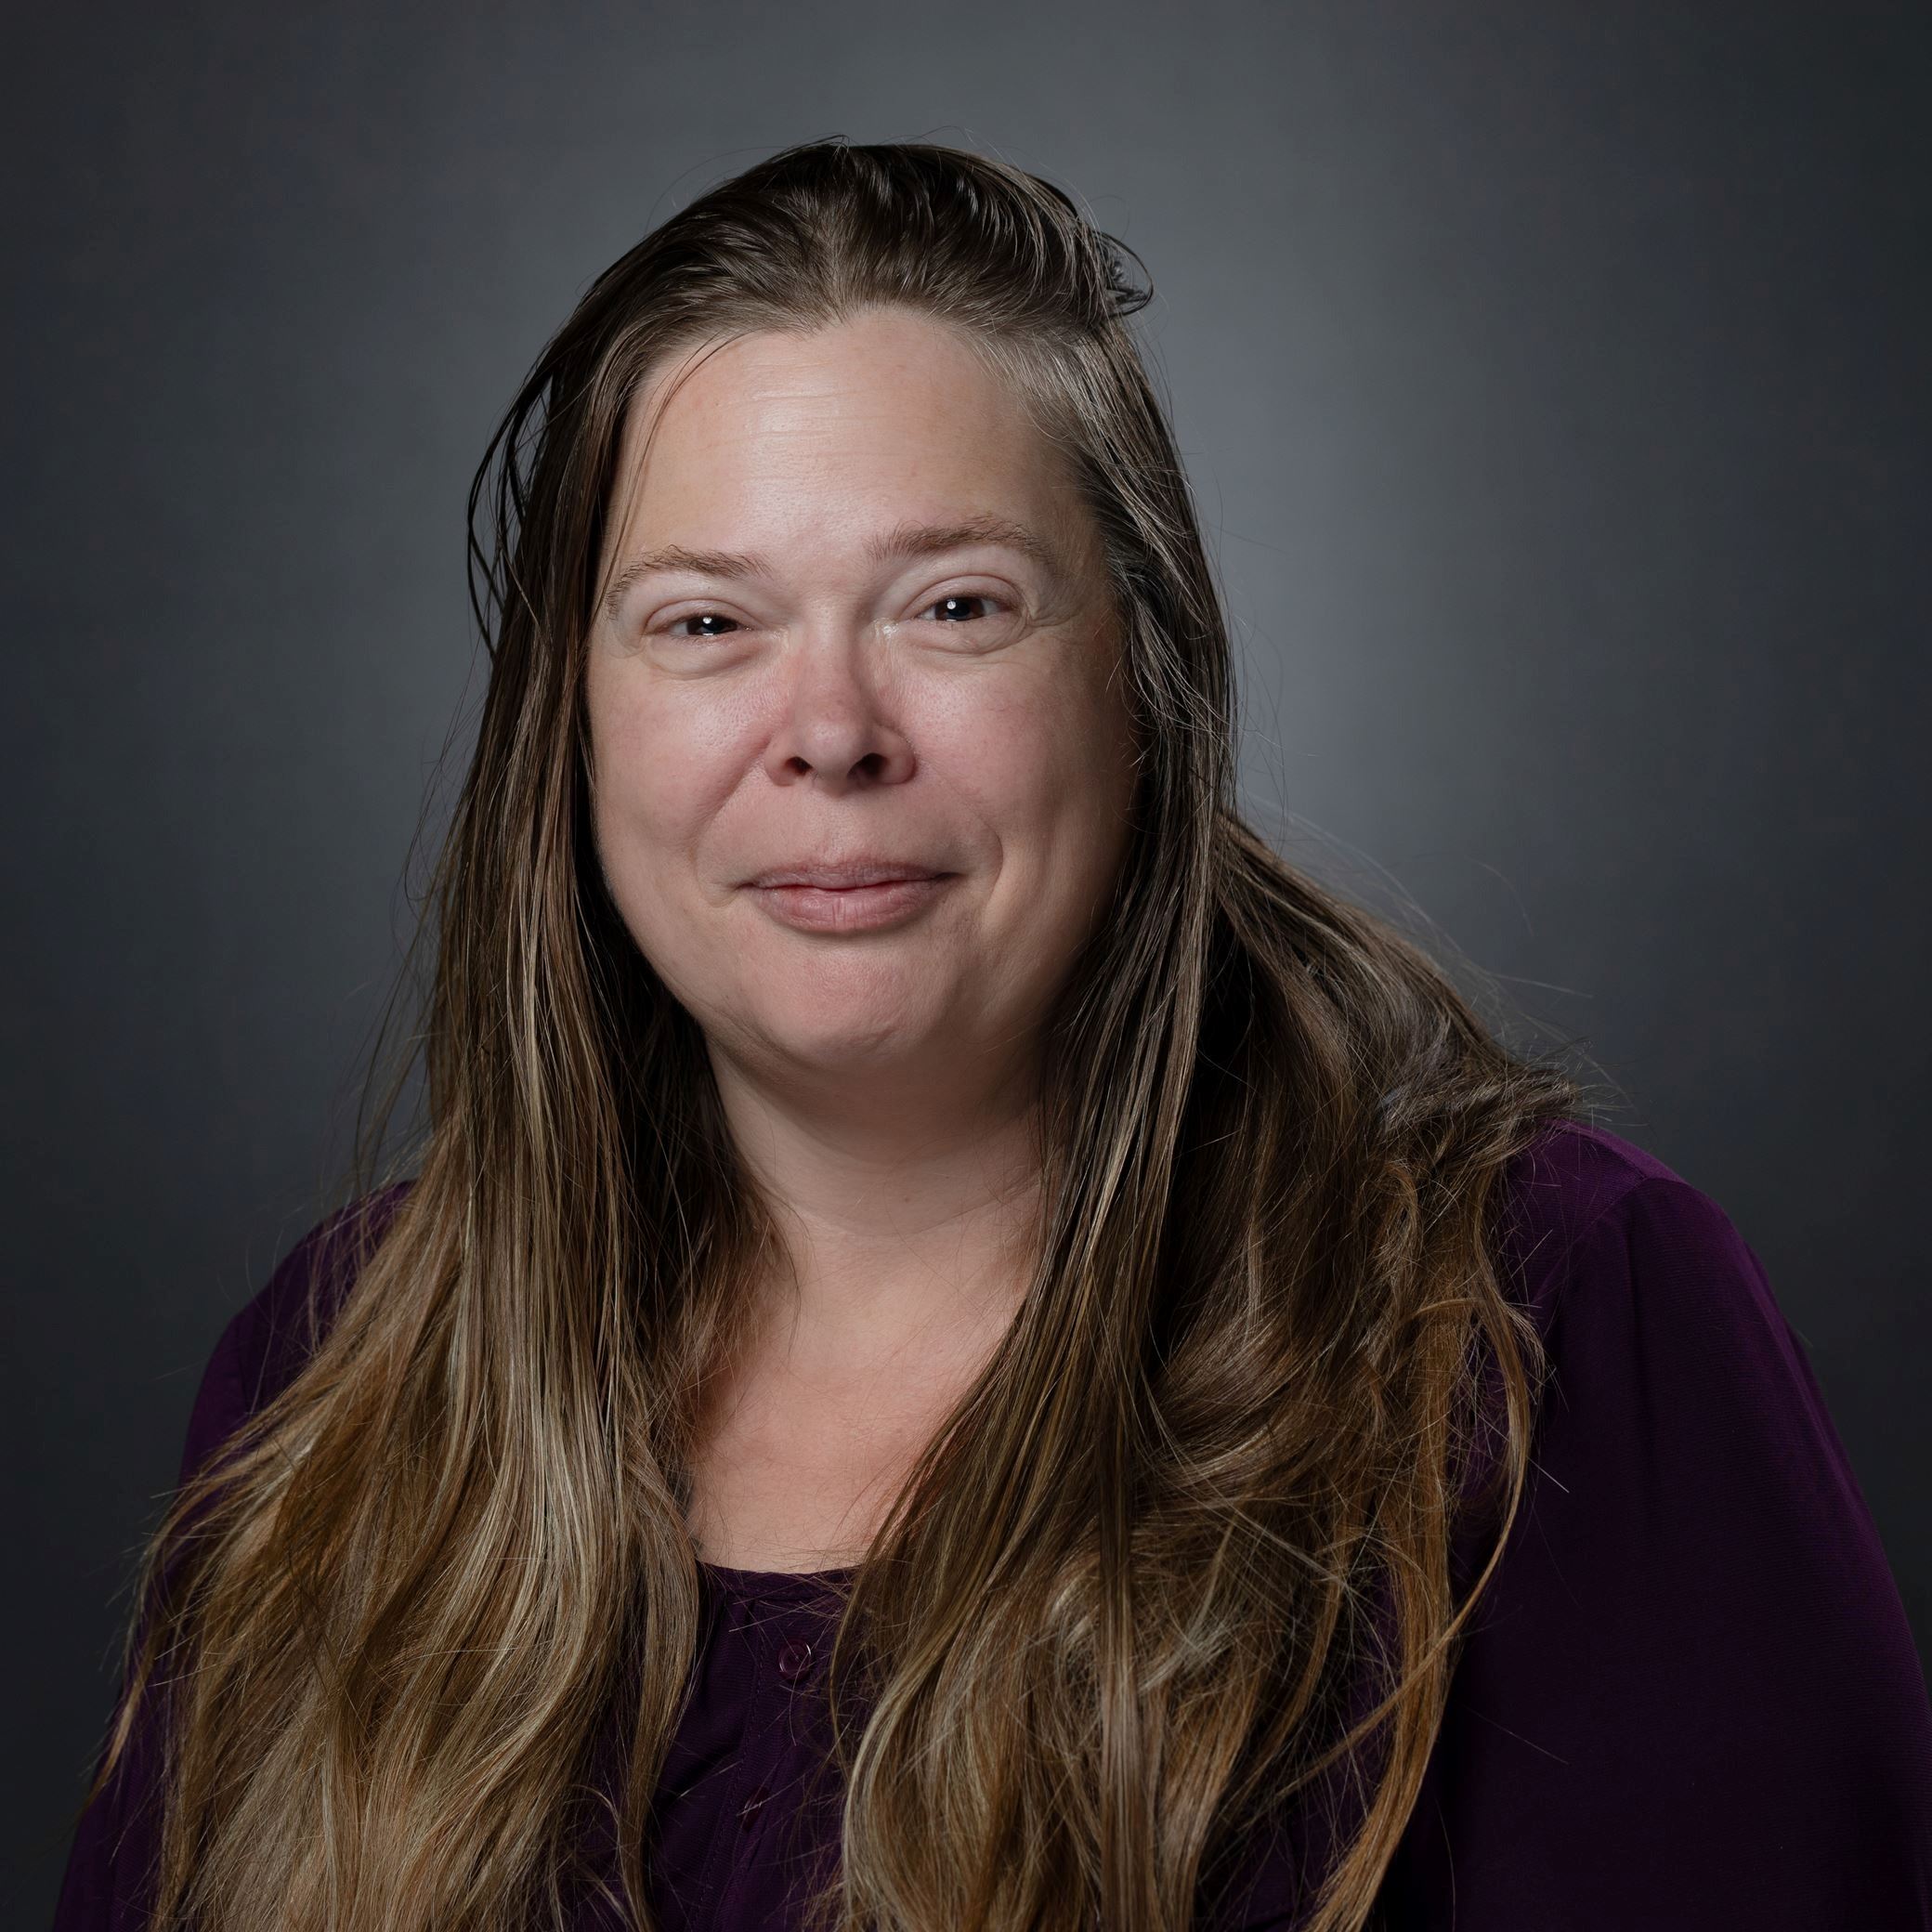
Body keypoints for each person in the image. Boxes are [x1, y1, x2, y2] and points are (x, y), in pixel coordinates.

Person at [53, 137, 1932, 1932]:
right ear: (573, 726)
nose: (829, 727)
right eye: (704, 622)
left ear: (1143, 680)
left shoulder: (1537, 1333)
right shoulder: (335, 1385)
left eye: (953, 603)